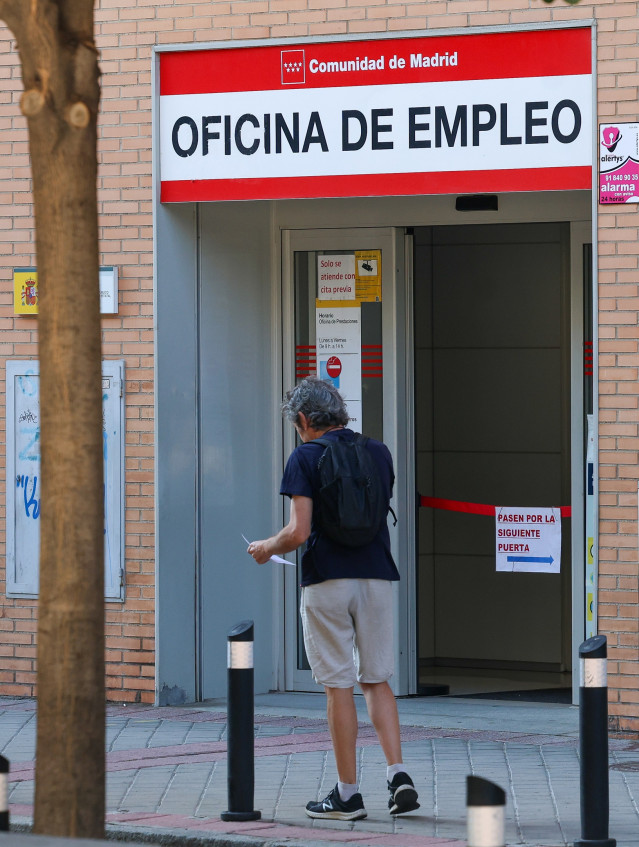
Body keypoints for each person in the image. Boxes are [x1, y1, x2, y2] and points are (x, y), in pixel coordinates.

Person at [247, 376, 419, 822]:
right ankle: (398, 774)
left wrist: (266, 547)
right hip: (377, 576)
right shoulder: (378, 452)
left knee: (338, 685)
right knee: (377, 679)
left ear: (304, 420)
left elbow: (299, 532)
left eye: (297, 425)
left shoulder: (305, 455)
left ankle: (347, 795)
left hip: (327, 581)